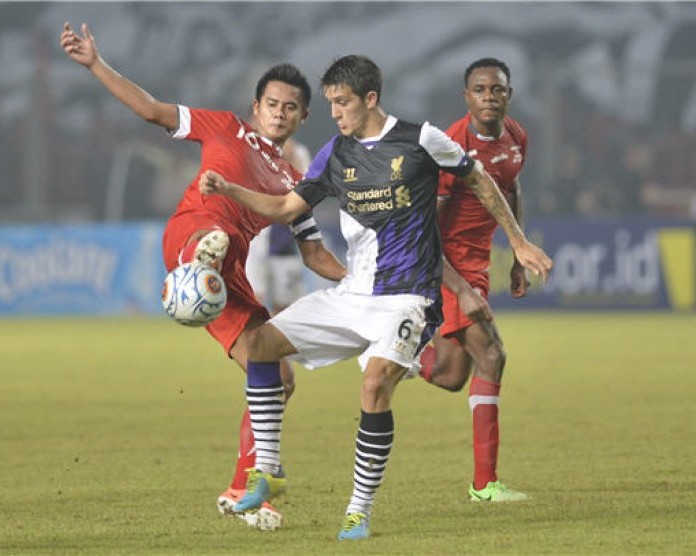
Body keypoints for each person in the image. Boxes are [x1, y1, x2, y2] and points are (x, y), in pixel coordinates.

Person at [198, 55, 553, 540]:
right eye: (330, 104)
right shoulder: (333, 154)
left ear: (370, 99)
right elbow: (285, 206)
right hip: (352, 294)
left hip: (407, 299)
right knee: (258, 344)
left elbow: (482, 182)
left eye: (342, 102)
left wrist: (517, 241)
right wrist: (229, 189)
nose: (336, 113)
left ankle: (358, 510)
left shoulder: (423, 139)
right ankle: (270, 470)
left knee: (374, 386)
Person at [60, 22, 346, 531]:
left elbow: (315, 255)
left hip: (231, 271)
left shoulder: (295, 185)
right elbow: (150, 110)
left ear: (302, 116)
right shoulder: (222, 126)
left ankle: (245, 491)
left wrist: (361, 285)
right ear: (256, 107)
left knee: (277, 376)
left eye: (289, 108)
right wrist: (95, 64)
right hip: (192, 231)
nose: (279, 113)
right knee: (211, 231)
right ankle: (200, 262)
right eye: (271, 104)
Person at [417, 57, 534, 503]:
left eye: (497, 89)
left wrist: (517, 253)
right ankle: (485, 484)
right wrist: (458, 286)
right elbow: (430, 224)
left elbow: (511, 189)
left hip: (479, 263)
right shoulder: (452, 147)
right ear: (467, 96)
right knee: (493, 354)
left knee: (449, 375)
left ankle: (395, 353)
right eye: (481, 90)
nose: (489, 96)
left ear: (509, 94)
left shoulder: (516, 136)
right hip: (447, 264)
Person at [245, 138, 312, 314]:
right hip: (255, 244)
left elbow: (309, 191)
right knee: (253, 303)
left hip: (286, 245)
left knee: (285, 311)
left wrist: (289, 158)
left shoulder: (299, 152)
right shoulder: (250, 149)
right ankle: (254, 341)